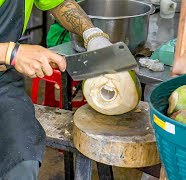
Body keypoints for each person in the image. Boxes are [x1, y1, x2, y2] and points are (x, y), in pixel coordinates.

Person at [0, 0, 111, 179]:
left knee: (21, 162)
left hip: (3, 83)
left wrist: (91, 33)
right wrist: (11, 53)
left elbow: (59, 4)